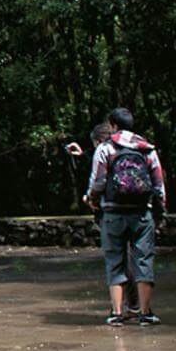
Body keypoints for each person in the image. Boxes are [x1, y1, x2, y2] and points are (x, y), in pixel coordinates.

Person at [84, 108, 166, 326]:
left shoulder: (106, 148)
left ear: (112, 125)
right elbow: (158, 186)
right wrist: (158, 212)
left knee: (115, 262)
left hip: (113, 213)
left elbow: (97, 182)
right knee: (143, 262)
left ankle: (117, 314)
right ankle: (145, 313)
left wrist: (93, 201)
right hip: (141, 213)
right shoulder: (147, 149)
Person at [66, 122, 140, 315]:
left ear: (98, 141)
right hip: (136, 211)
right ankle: (136, 305)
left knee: (117, 261)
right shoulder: (134, 148)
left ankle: (120, 309)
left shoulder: (103, 151)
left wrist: (90, 198)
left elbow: (98, 178)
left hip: (111, 212)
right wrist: (82, 156)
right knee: (131, 258)